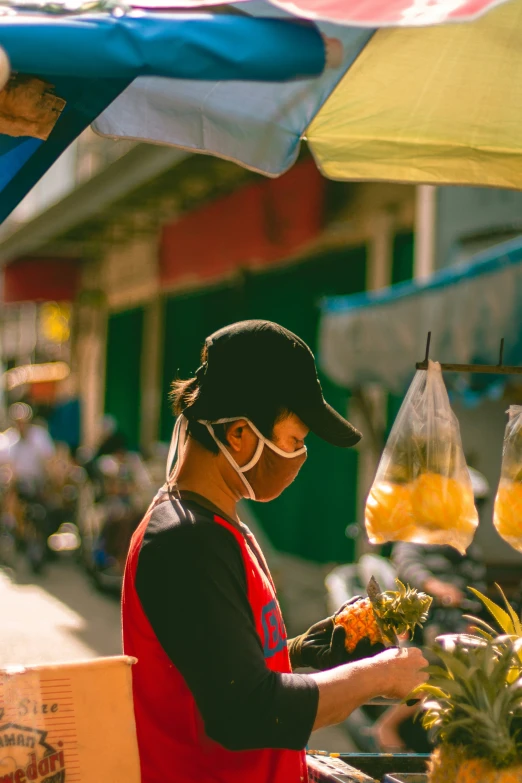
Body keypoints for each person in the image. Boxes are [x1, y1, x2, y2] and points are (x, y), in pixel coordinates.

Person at [122, 320, 428, 783]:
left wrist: (300, 652)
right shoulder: (186, 541)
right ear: (240, 434)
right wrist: (380, 675)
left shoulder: (218, 527)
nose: (300, 457)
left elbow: (215, 668)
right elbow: (246, 711)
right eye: (294, 440)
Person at [374, 466, 490, 753]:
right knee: (436, 670)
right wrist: (437, 588)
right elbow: (408, 566)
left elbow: (478, 592)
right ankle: (386, 726)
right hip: (421, 624)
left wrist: (472, 619)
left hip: (456, 627)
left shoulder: (468, 551)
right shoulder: (418, 537)